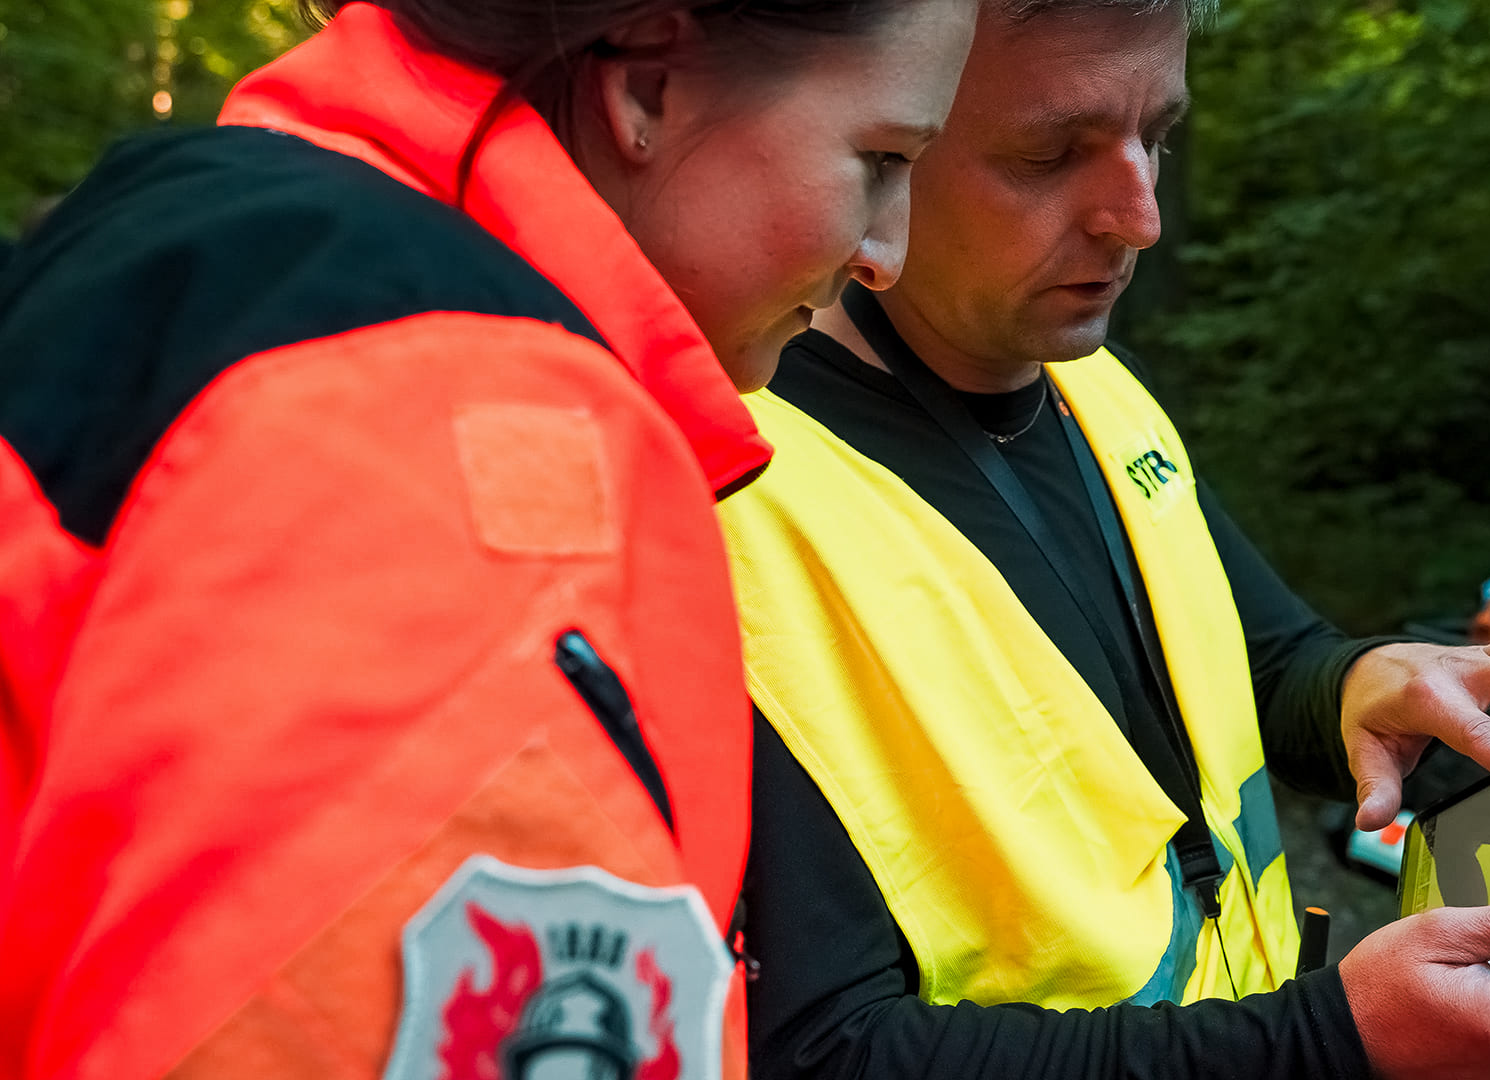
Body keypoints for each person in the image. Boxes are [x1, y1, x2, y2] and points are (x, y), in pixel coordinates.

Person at [0, 0, 972, 1074]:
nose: (889, 251)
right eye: (879, 158)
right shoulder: (462, 449)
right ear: (649, 87)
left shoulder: (224, 263)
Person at [716, 0, 1490, 1076]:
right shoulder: (735, 495)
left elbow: (1258, 667)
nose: (1138, 215)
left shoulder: (1095, 390)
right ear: (892, 134)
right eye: (1051, 154)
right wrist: (1323, 1048)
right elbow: (821, 1054)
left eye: (1157, 137)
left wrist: (1372, 684)